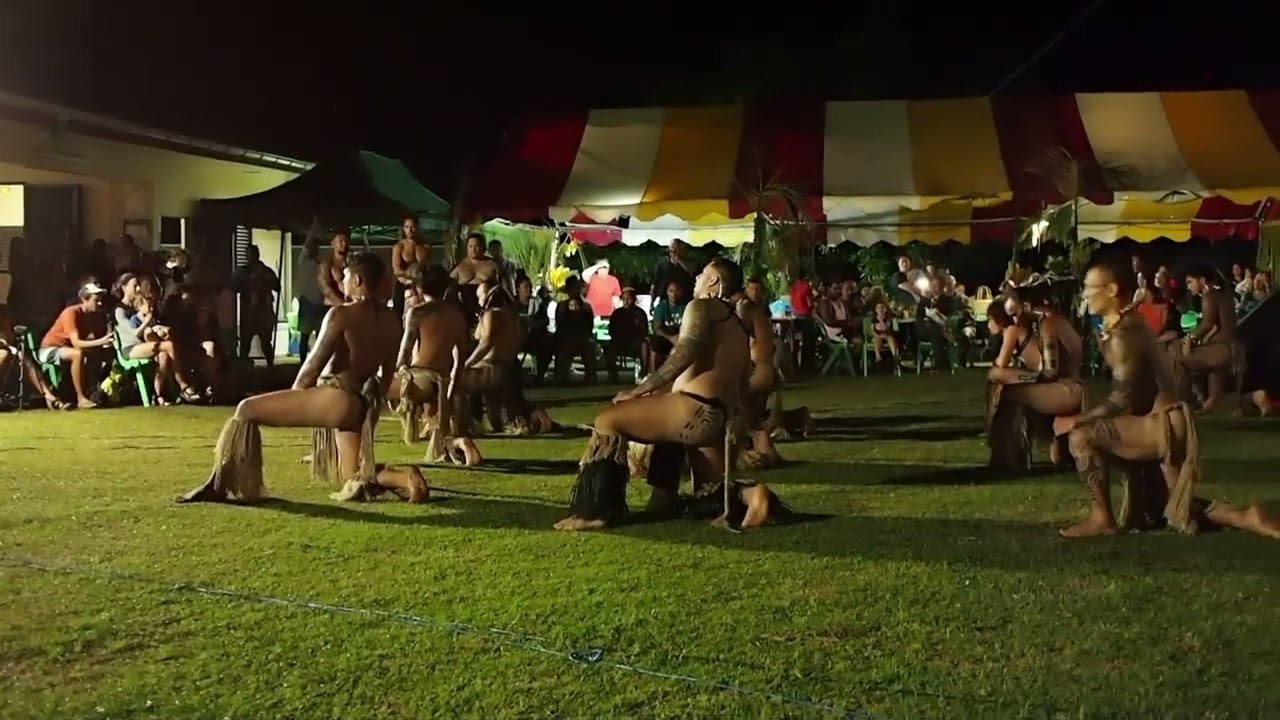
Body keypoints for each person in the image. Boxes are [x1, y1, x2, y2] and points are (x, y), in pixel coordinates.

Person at [1053, 258, 1279, 539]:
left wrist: (1075, 419)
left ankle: (1101, 520)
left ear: (1111, 290)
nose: (1085, 293)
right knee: (1178, 505)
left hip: (1163, 425)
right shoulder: (1125, 326)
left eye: (1090, 287)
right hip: (1168, 421)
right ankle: (1247, 517)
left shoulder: (1126, 333)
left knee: (1081, 437)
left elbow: (1121, 398)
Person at [177, 252, 428, 505]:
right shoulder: (391, 321)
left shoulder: (341, 315)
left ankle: (217, 485)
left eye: (346, 277)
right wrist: (367, 412)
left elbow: (311, 368)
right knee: (352, 474)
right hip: (358, 404)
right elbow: (384, 378)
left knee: (246, 409)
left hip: (335, 397)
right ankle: (405, 478)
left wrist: (296, 399)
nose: (342, 282)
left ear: (359, 281)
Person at [554, 257, 783, 532]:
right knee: (710, 492)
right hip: (716, 416)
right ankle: (748, 495)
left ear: (714, 281)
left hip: (693, 409)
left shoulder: (703, 306)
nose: (696, 277)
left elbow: (685, 352)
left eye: (702, 274)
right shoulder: (735, 324)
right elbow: (741, 376)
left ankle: (594, 512)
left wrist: (639, 390)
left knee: (607, 420)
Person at [986, 280, 1083, 473]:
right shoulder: (1059, 321)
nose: (1015, 317)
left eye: (1017, 311)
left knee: (1009, 394)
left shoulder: (1048, 325)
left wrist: (1022, 380)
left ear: (1028, 307)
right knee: (1058, 458)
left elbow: (1049, 373)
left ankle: (1011, 460)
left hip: (1068, 390)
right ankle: (1018, 454)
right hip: (1073, 386)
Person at [395, 265, 470, 462]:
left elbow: (402, 356)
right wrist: (448, 394)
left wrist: (397, 374)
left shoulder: (417, 312)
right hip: (442, 382)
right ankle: (452, 443)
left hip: (419, 381)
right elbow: (459, 361)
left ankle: (352, 451)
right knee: (433, 402)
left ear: (420, 289)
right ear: (445, 289)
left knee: (367, 389)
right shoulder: (457, 317)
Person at [1176, 266, 1243, 412]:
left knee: (1179, 360)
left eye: (1190, 282)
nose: (1188, 287)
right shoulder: (1222, 294)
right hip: (1232, 348)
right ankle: (1256, 397)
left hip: (1221, 350)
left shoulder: (1209, 295)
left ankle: (1186, 403)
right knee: (1214, 402)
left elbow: (1207, 324)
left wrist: (1190, 338)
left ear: (1201, 280)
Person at [38, 282, 113, 408]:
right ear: (84, 299)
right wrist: (102, 341)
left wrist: (105, 345)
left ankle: (97, 392)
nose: (100, 304)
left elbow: (94, 339)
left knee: (103, 354)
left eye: (100, 301)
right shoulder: (71, 313)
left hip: (69, 349)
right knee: (77, 354)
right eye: (96, 300)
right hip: (49, 349)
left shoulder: (95, 315)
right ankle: (81, 398)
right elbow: (77, 343)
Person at [0, 303, 65, 409]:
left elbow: (9, 339)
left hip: (8, 354)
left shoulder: (3, 313)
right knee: (4, 355)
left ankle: (47, 395)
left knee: (23, 358)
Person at [230, 245, 280, 367]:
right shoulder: (242, 272)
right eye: (249, 254)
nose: (251, 257)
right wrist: (248, 284)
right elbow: (233, 287)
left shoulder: (266, 270)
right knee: (245, 341)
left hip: (264, 310)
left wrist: (266, 280)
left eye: (253, 254)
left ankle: (270, 365)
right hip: (248, 310)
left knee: (266, 342)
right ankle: (242, 366)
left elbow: (277, 286)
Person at [294, 234, 328, 361]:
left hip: (319, 303)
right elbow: (307, 245)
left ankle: (318, 362)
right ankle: (303, 362)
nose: (315, 249)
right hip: (307, 302)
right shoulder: (303, 260)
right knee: (305, 336)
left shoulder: (320, 264)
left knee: (320, 337)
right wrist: (313, 229)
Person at [605, 287, 649, 383]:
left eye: (628, 299)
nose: (626, 301)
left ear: (634, 299)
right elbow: (611, 330)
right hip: (620, 341)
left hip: (636, 342)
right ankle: (613, 374)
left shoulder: (640, 313)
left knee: (645, 344)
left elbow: (644, 331)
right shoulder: (617, 313)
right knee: (608, 346)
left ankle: (644, 373)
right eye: (624, 299)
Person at [391, 214, 429, 318]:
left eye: (412, 227)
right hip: (403, 285)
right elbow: (396, 270)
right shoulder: (399, 247)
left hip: (420, 286)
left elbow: (427, 268)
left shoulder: (425, 247)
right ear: (403, 229)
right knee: (398, 316)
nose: (410, 230)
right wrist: (410, 276)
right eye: (407, 227)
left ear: (417, 228)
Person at [648, 280, 686, 372]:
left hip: (682, 336)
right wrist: (671, 338)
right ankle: (653, 375)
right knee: (655, 347)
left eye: (677, 291)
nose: (674, 294)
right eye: (671, 291)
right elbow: (657, 328)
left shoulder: (687, 307)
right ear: (667, 292)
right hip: (665, 336)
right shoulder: (661, 307)